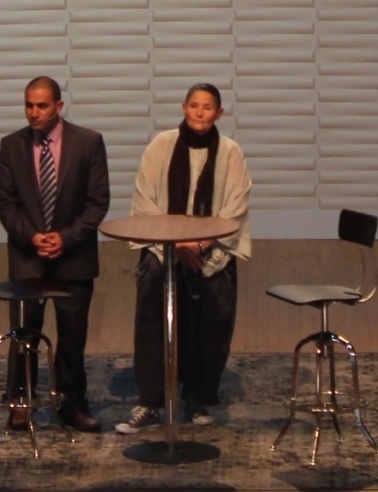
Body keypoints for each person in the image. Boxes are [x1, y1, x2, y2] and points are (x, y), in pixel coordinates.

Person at [115, 83, 252, 434]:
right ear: (184, 108)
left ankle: (199, 398)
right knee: (152, 313)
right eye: (194, 106)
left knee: (212, 318)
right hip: (166, 248)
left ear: (220, 113)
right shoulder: (161, 146)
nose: (200, 113)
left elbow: (234, 208)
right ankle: (152, 402)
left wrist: (202, 244)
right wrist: (178, 244)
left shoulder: (230, 152)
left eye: (208, 107)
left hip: (212, 250)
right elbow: (145, 200)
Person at [0, 76, 110, 433]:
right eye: (29, 105)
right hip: (29, 257)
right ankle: (20, 402)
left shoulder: (88, 143)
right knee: (24, 333)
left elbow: (97, 202)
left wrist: (64, 238)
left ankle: (71, 405)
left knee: (72, 336)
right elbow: (5, 203)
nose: (34, 113)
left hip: (73, 257)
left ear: (59, 107)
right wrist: (33, 238)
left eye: (42, 106)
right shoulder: (11, 145)